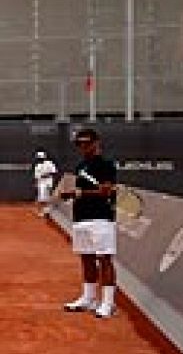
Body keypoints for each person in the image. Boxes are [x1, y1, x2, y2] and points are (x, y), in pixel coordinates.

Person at [59, 127, 119, 319]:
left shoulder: (106, 165)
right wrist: (72, 196)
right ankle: (89, 298)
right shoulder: (81, 167)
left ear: (96, 143)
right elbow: (83, 192)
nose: (83, 147)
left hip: (101, 218)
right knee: (86, 258)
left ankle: (108, 303)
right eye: (80, 144)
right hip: (81, 218)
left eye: (87, 143)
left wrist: (78, 193)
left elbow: (106, 191)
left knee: (105, 260)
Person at [32, 150, 58, 217]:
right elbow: (37, 176)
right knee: (41, 198)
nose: (40, 159)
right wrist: (36, 183)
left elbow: (54, 172)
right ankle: (41, 211)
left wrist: (46, 174)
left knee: (49, 197)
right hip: (41, 183)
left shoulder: (50, 163)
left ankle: (48, 211)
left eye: (41, 158)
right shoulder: (37, 166)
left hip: (49, 182)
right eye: (39, 158)